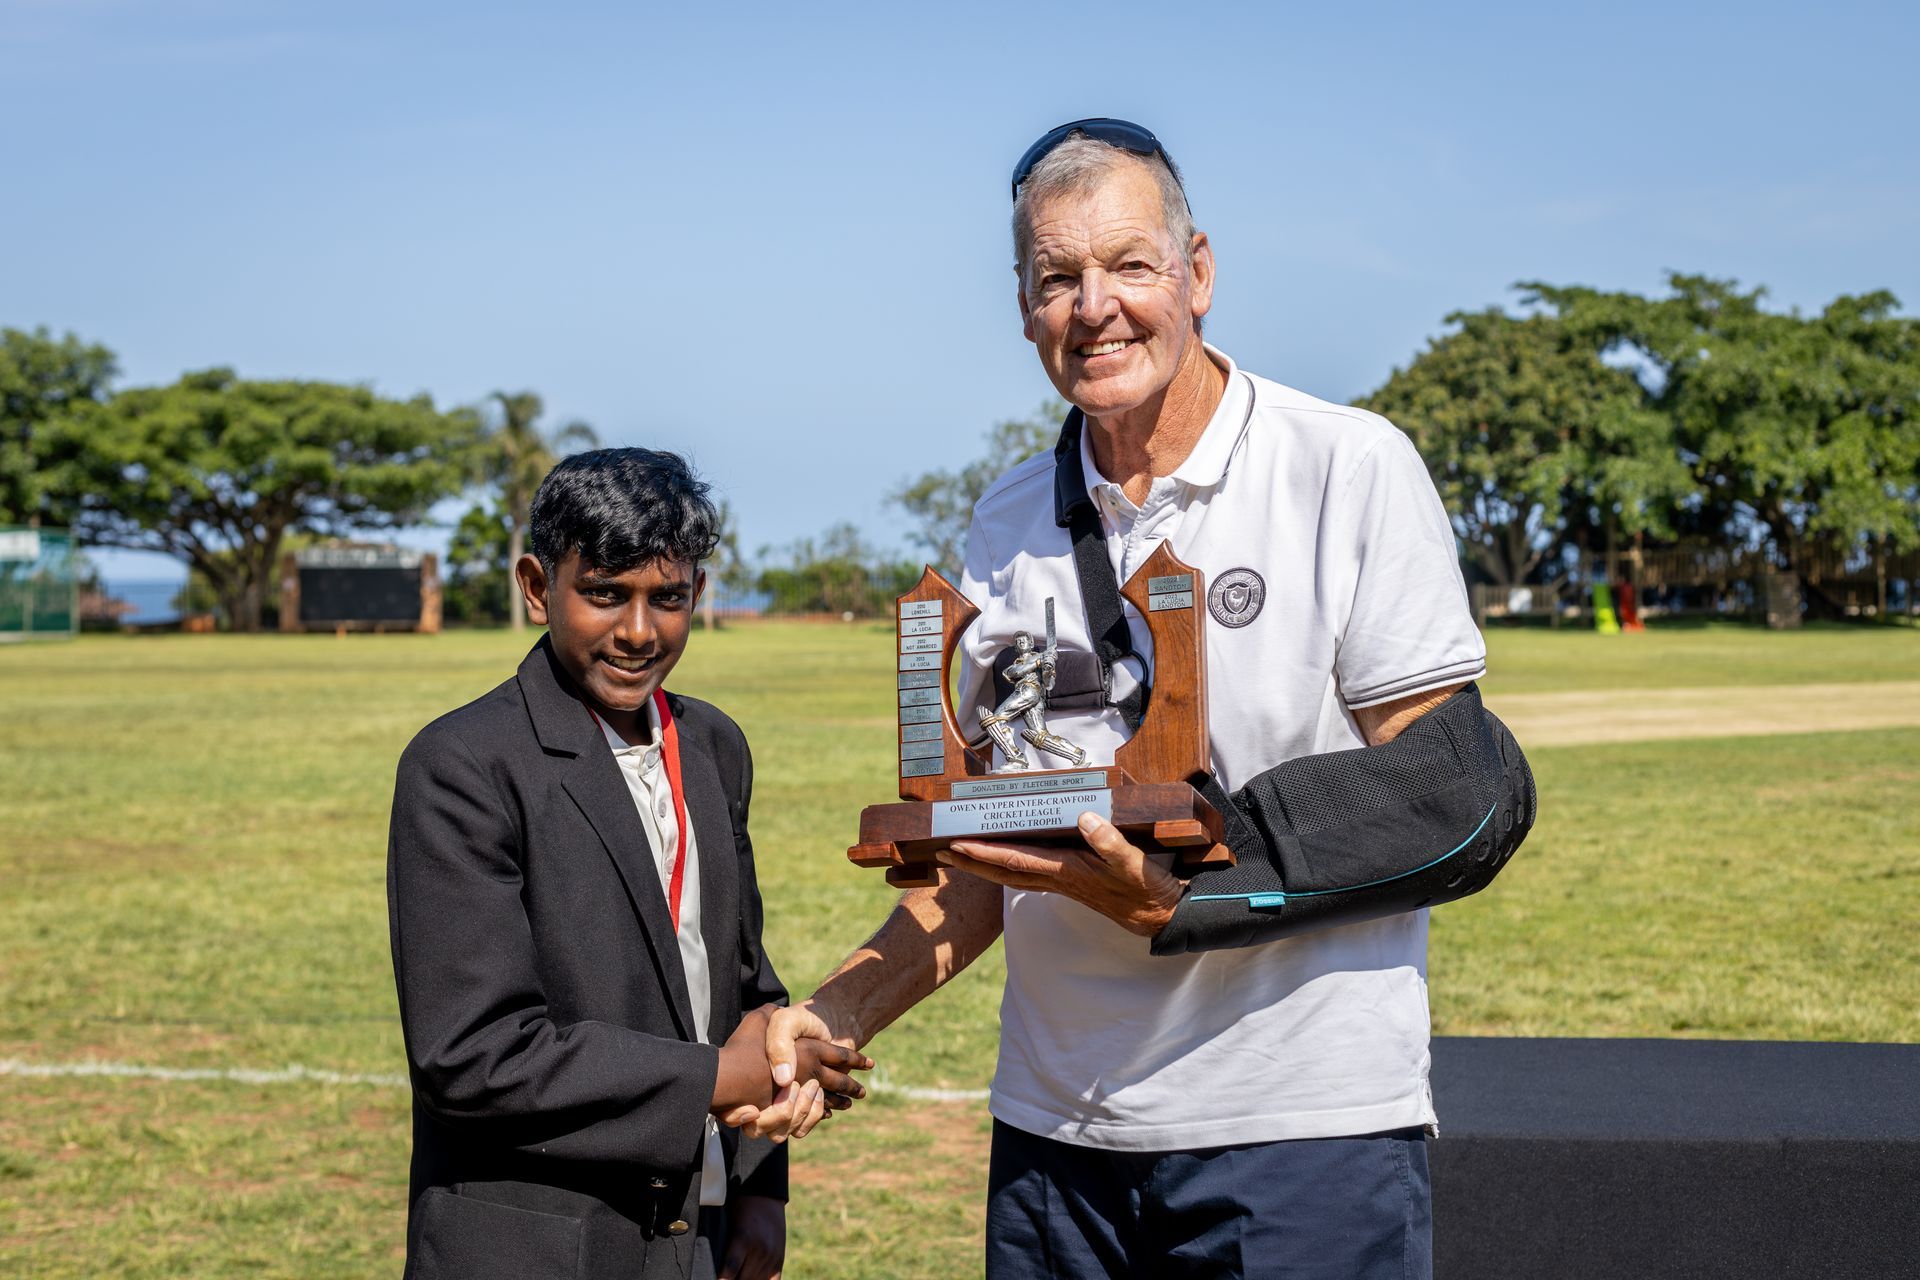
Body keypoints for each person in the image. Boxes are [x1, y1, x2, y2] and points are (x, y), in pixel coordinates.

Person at [733, 121, 1534, 1277]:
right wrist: (842, 1011)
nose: (1094, 306)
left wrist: (1182, 891)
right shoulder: (1008, 519)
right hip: (1060, 1144)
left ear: (1197, 271)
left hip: (1303, 1132)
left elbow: (1442, 789)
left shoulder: (1344, 465)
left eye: (1129, 264)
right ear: (1022, 308)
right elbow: (990, 855)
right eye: (1057, 277)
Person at [387, 448, 870, 1280]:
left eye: (668, 598)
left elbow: (740, 981)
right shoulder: (463, 764)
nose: (640, 631)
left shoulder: (713, 745)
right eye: (605, 594)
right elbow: (471, 1054)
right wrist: (717, 1079)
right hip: (535, 1244)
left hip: (693, 1231)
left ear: (698, 595)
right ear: (539, 587)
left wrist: (757, 1187)